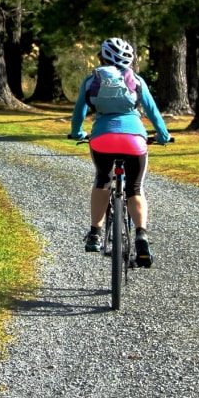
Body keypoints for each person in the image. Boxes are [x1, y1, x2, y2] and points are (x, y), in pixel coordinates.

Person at [68, 37, 171, 268]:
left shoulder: (91, 80)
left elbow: (78, 114)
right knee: (135, 188)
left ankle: (95, 232)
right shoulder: (136, 80)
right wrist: (163, 136)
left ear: (101, 57)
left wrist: (77, 134)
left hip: (102, 138)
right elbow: (153, 112)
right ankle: (141, 236)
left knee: (102, 180)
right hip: (134, 140)